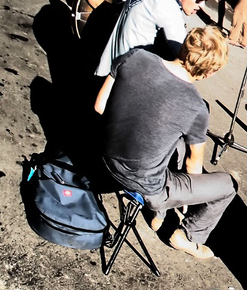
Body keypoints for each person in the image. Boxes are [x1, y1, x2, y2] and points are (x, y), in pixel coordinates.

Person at [100, 27, 236, 260]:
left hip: (103, 157)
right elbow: (193, 168)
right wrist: (186, 201)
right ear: (208, 73)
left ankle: (160, 214)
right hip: (144, 183)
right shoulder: (196, 107)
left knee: (172, 142)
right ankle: (189, 236)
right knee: (227, 186)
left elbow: (99, 106)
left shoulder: (136, 56)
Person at [93, 0, 219, 111]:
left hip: (106, 71)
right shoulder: (166, 5)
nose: (201, 6)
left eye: (206, 1)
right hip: (120, 89)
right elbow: (186, 55)